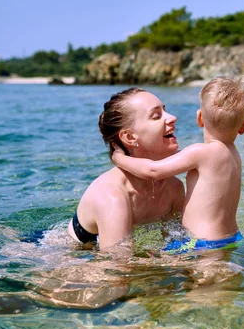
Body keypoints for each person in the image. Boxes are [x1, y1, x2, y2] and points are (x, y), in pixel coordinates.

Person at [112, 76, 244, 254]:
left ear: (200, 118)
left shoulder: (200, 152)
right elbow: (180, 160)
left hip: (202, 243)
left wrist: (119, 158)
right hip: (231, 237)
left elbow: (153, 170)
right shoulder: (232, 154)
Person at [67, 87, 185, 251]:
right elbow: (118, 268)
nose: (173, 118)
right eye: (156, 116)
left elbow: (175, 245)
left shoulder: (174, 189)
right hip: (68, 254)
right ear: (129, 137)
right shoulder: (113, 197)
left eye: (165, 111)